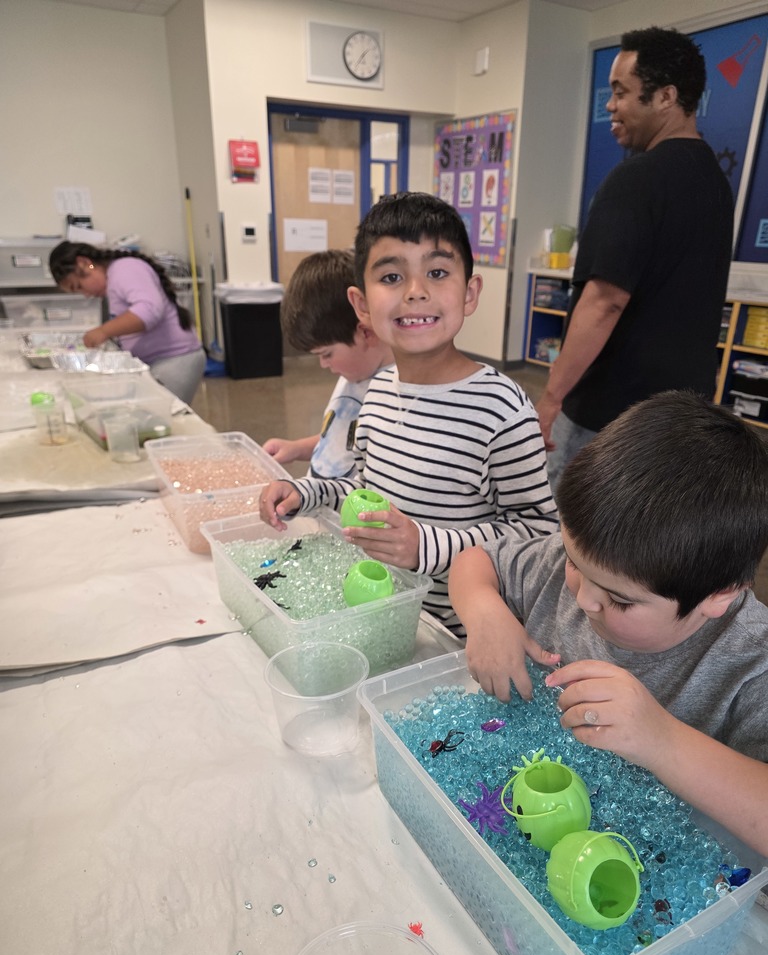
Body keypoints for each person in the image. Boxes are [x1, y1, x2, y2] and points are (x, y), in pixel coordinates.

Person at [448, 391, 768, 856]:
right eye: (576, 564)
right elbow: (474, 561)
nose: (583, 598)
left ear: (719, 596)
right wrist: (485, 613)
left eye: (618, 600)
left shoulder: (751, 662)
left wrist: (663, 741)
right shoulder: (569, 564)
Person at [260, 192, 558, 634]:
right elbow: (365, 489)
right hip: (387, 615)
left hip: (459, 637)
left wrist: (425, 546)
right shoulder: (376, 393)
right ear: (361, 305)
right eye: (393, 276)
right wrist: (307, 492)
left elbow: (537, 538)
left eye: (437, 273)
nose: (416, 292)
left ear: (470, 292)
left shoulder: (502, 410)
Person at [537, 26, 734, 489]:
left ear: (665, 96)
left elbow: (604, 300)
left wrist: (550, 397)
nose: (610, 104)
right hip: (678, 418)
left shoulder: (636, 179)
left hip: (609, 416)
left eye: (621, 92)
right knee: (634, 545)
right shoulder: (714, 182)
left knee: (563, 536)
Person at [262, 249, 393, 478]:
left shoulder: (394, 394)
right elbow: (338, 440)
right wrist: (296, 448)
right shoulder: (354, 373)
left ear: (365, 332)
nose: (323, 364)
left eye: (327, 354)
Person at [49, 241, 206, 404]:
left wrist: (103, 331)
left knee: (163, 419)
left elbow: (149, 311)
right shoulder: (115, 277)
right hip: (160, 360)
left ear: (85, 264)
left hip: (174, 359)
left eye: (79, 286)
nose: (86, 295)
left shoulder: (125, 269)